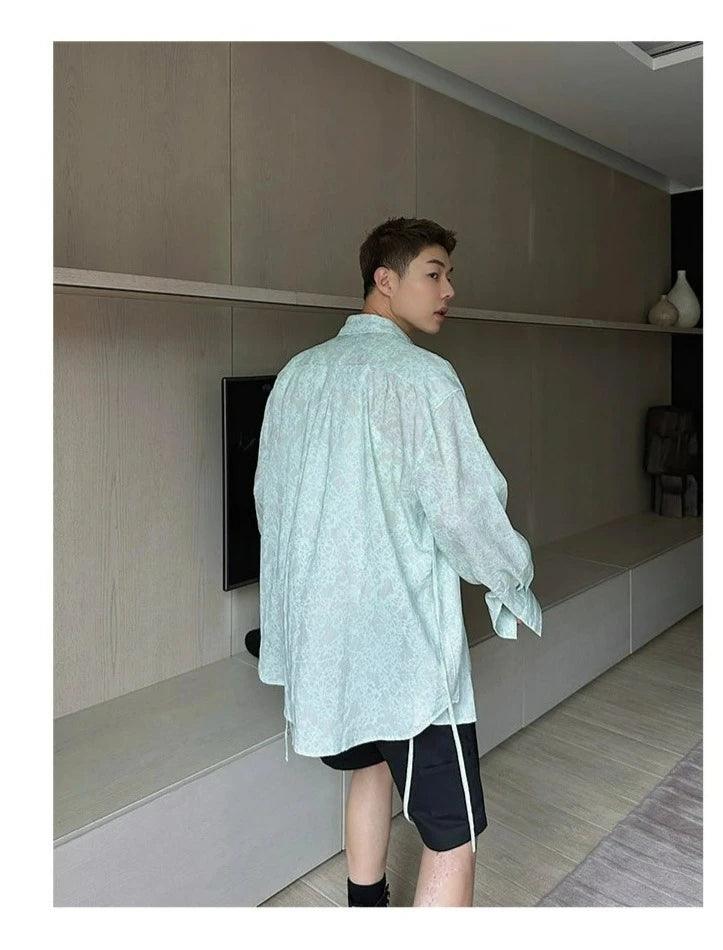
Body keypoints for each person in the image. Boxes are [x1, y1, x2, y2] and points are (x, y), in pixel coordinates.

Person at [253, 216, 542, 907]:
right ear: (385, 280)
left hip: (327, 638)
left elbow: (271, 499)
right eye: (434, 274)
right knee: (453, 834)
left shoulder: (297, 375)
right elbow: (463, 511)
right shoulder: (423, 379)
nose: (449, 291)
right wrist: (511, 577)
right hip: (405, 646)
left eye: (448, 276)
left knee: (370, 768)